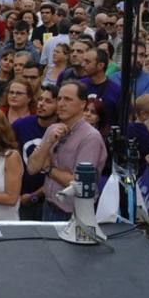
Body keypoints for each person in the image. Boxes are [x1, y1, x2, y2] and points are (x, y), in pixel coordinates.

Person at [27, 81, 108, 221]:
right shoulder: (53, 129)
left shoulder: (90, 138)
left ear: (83, 104)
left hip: (73, 214)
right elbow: (32, 168)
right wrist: (48, 142)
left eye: (68, 99)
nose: (61, 104)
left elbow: (80, 184)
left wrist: (48, 169)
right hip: (49, 205)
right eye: (59, 98)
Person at [12, 85, 60, 221]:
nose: (41, 104)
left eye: (48, 101)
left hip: (52, 200)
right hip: (20, 197)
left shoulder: (62, 130)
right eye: (40, 100)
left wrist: (35, 195)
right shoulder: (21, 126)